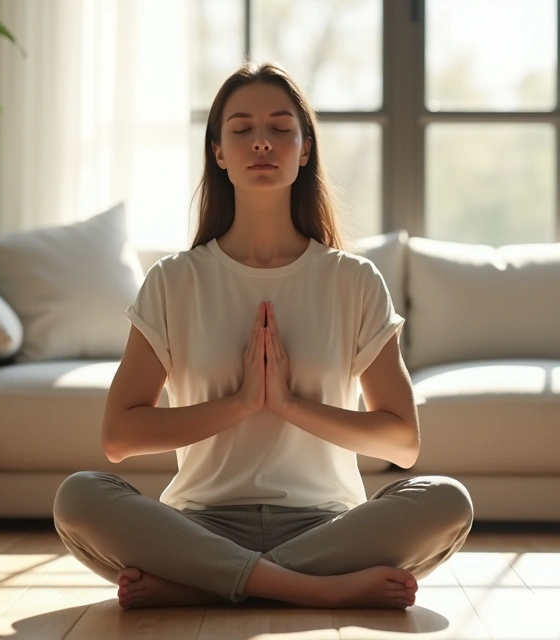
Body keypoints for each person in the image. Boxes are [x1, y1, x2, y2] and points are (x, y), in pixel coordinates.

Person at [52, 60, 473, 610]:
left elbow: (402, 441)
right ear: (218, 152)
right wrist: (244, 402)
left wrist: (288, 404)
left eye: (280, 128)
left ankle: (207, 585)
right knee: (79, 495)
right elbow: (119, 437)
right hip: (202, 525)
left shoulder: (353, 280)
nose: (261, 143)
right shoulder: (175, 281)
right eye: (241, 129)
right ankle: (310, 591)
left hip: (326, 528)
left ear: (305, 150)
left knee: (446, 501)